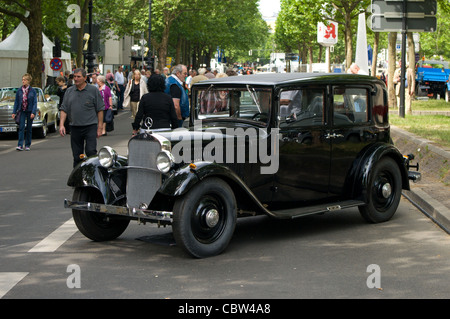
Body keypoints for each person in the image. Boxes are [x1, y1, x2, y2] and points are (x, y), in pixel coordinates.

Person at [59, 68, 105, 167]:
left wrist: (100, 127)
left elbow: (100, 109)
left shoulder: (93, 90)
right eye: (74, 76)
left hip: (90, 126)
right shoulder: (69, 91)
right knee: (77, 156)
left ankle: (93, 174)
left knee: (91, 151)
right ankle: (78, 178)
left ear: (85, 78)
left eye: (78, 76)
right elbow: (64, 109)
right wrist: (61, 124)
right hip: (75, 127)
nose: (76, 79)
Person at [12, 73, 37, 151]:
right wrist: (14, 112)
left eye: (25, 80)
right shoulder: (19, 90)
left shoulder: (32, 91)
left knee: (29, 128)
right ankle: (20, 145)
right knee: (21, 127)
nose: (23, 81)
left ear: (28, 81)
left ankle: (27, 145)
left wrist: (33, 112)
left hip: (29, 111)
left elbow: (35, 102)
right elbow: (16, 101)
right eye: (22, 80)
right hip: (22, 110)